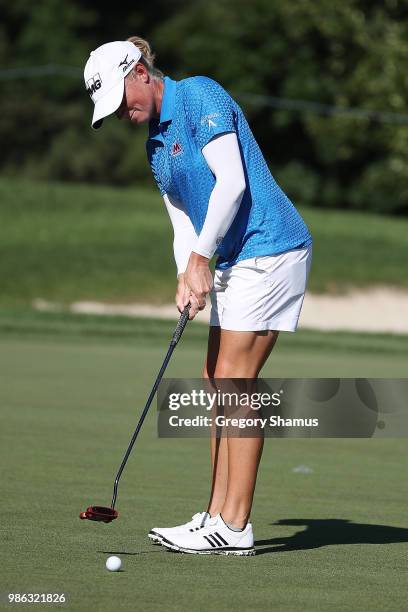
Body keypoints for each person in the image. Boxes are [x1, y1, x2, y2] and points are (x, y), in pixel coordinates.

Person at [84, 37, 312, 556]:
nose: (122, 113)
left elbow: (231, 183)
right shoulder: (157, 147)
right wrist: (186, 275)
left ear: (140, 71)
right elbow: (183, 223)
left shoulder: (199, 95)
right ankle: (213, 515)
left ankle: (234, 527)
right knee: (216, 381)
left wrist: (201, 259)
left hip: (270, 245)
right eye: (113, 112)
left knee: (236, 381)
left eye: (122, 100)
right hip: (232, 258)